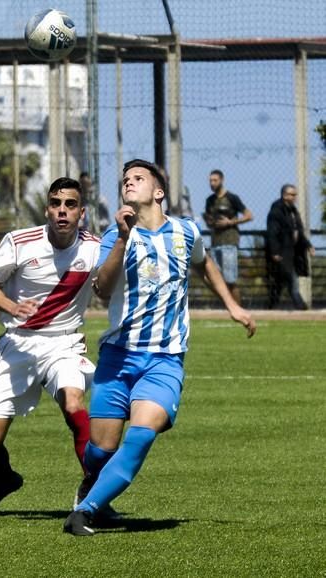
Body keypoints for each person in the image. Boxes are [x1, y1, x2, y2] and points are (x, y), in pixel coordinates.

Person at [64, 159, 256, 536]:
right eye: (124, 180)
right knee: (100, 451)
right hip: (118, 356)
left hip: (165, 359)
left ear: (158, 191)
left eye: (138, 179)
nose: (128, 184)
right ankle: (92, 485)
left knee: (142, 434)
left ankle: (82, 513)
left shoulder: (186, 232)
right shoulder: (113, 235)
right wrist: (121, 238)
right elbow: (102, 290)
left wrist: (232, 305)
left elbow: (204, 264)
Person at [0, 177, 100, 516]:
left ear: (81, 212)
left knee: (74, 404)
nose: (62, 211)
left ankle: (93, 488)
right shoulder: (20, 241)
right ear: (47, 209)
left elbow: (112, 286)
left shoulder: (94, 247)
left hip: (64, 343)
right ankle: (5, 480)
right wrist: (12, 308)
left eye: (70, 205)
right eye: (56, 203)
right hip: (18, 344)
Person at [202, 170, 253, 304]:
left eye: (215, 180)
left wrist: (230, 222)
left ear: (222, 180)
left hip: (229, 241)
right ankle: (228, 307)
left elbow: (249, 215)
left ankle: (238, 308)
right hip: (215, 241)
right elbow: (209, 222)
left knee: (230, 279)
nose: (212, 183)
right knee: (217, 279)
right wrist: (209, 221)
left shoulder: (232, 198)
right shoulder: (210, 200)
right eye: (210, 181)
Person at [266, 184, 315, 310]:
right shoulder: (276, 211)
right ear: (285, 195)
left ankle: (270, 307)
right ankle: (302, 308)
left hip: (293, 252)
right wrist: (275, 252)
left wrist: (308, 245)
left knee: (279, 283)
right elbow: (272, 233)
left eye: (295, 195)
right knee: (292, 282)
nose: (295, 197)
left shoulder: (293, 211)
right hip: (282, 253)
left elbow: (299, 231)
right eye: (292, 195)